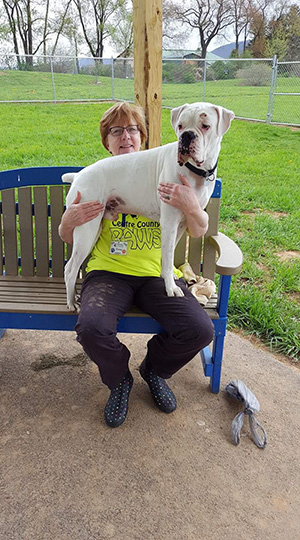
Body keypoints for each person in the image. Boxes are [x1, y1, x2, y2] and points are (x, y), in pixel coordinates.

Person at [59, 102, 214, 428]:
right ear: (107, 141)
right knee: (91, 328)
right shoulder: (101, 175)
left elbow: (199, 230)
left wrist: (192, 206)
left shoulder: (171, 169)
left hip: (156, 276)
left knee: (200, 330)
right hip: (109, 274)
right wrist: (68, 221)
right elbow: (69, 237)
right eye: (117, 131)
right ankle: (119, 380)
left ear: (142, 136)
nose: (125, 136)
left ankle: (154, 370)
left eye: (132, 129)